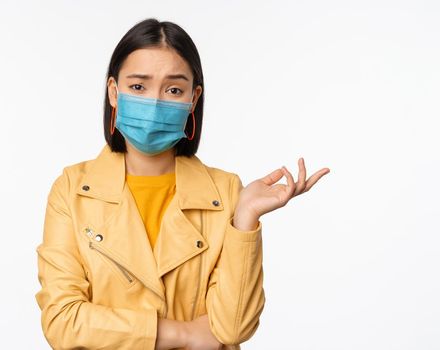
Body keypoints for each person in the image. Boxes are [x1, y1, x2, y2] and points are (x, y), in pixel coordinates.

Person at [34, 18, 330, 350]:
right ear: (114, 93)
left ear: (193, 98)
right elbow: (61, 320)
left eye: (174, 89)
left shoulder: (227, 192)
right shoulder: (73, 190)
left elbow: (233, 328)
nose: (156, 102)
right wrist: (183, 334)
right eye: (138, 87)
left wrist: (245, 219)